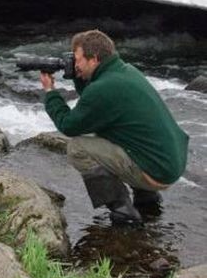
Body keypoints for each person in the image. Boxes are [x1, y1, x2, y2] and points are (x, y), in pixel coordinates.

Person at [41, 30, 189, 224]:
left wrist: (50, 91)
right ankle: (147, 197)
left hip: (156, 171)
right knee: (117, 130)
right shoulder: (126, 71)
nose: (75, 65)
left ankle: (122, 210)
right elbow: (94, 103)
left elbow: (68, 125)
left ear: (94, 59)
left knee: (77, 148)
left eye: (77, 60)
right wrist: (78, 76)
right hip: (170, 163)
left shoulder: (103, 89)